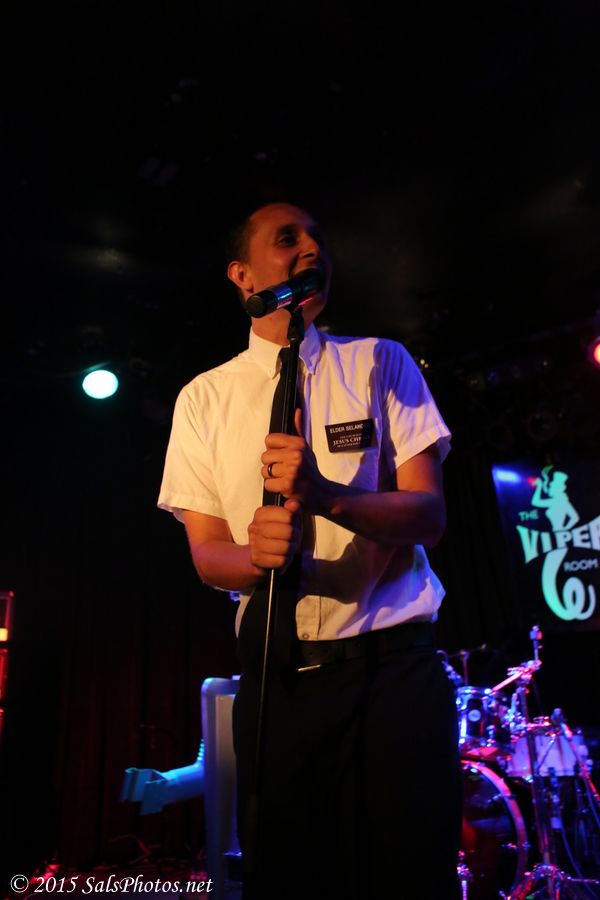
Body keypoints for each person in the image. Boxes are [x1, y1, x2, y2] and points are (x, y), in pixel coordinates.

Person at [158, 202, 462, 899]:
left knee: (412, 877)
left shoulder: (379, 361)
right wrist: (256, 556)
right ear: (242, 275)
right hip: (281, 682)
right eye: (287, 239)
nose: (311, 250)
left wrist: (326, 496)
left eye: (318, 239)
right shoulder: (203, 399)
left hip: (394, 671)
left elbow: (429, 515)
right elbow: (207, 555)